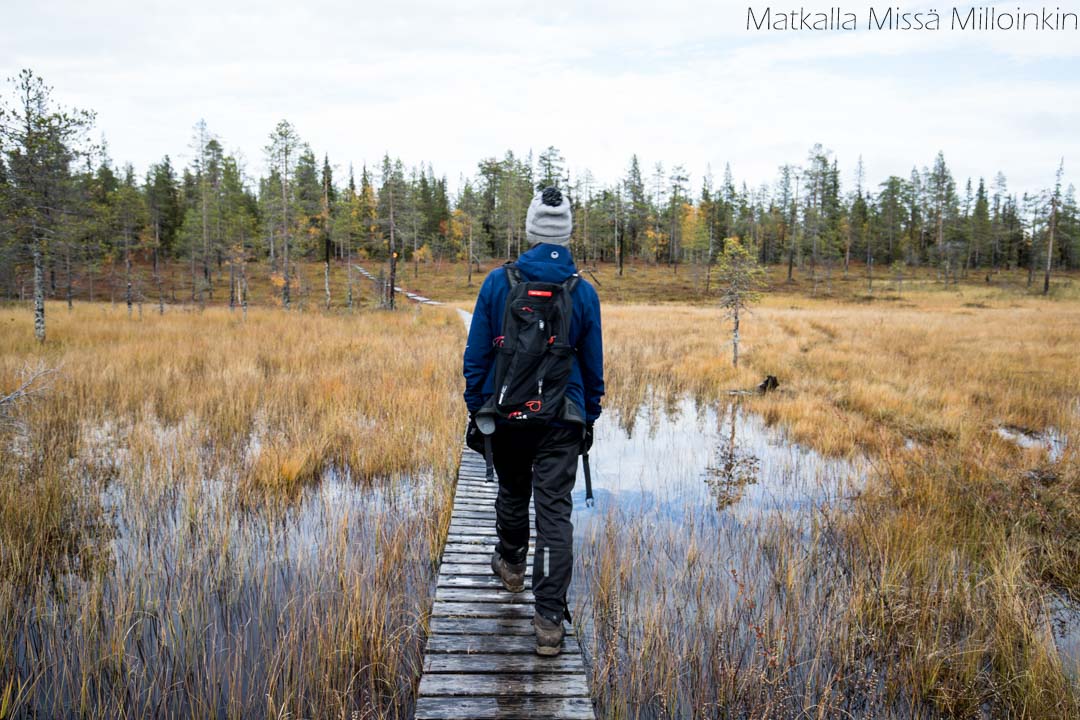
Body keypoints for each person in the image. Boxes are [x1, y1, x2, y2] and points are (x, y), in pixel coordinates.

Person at [462, 186, 604, 656]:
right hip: (562, 420)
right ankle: (547, 623)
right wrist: (589, 413)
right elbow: (593, 365)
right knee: (554, 515)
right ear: (566, 232)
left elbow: (478, 354)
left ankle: (510, 563)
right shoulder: (582, 292)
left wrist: (477, 407)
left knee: (512, 492)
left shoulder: (497, 283)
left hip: (506, 417)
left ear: (529, 229)